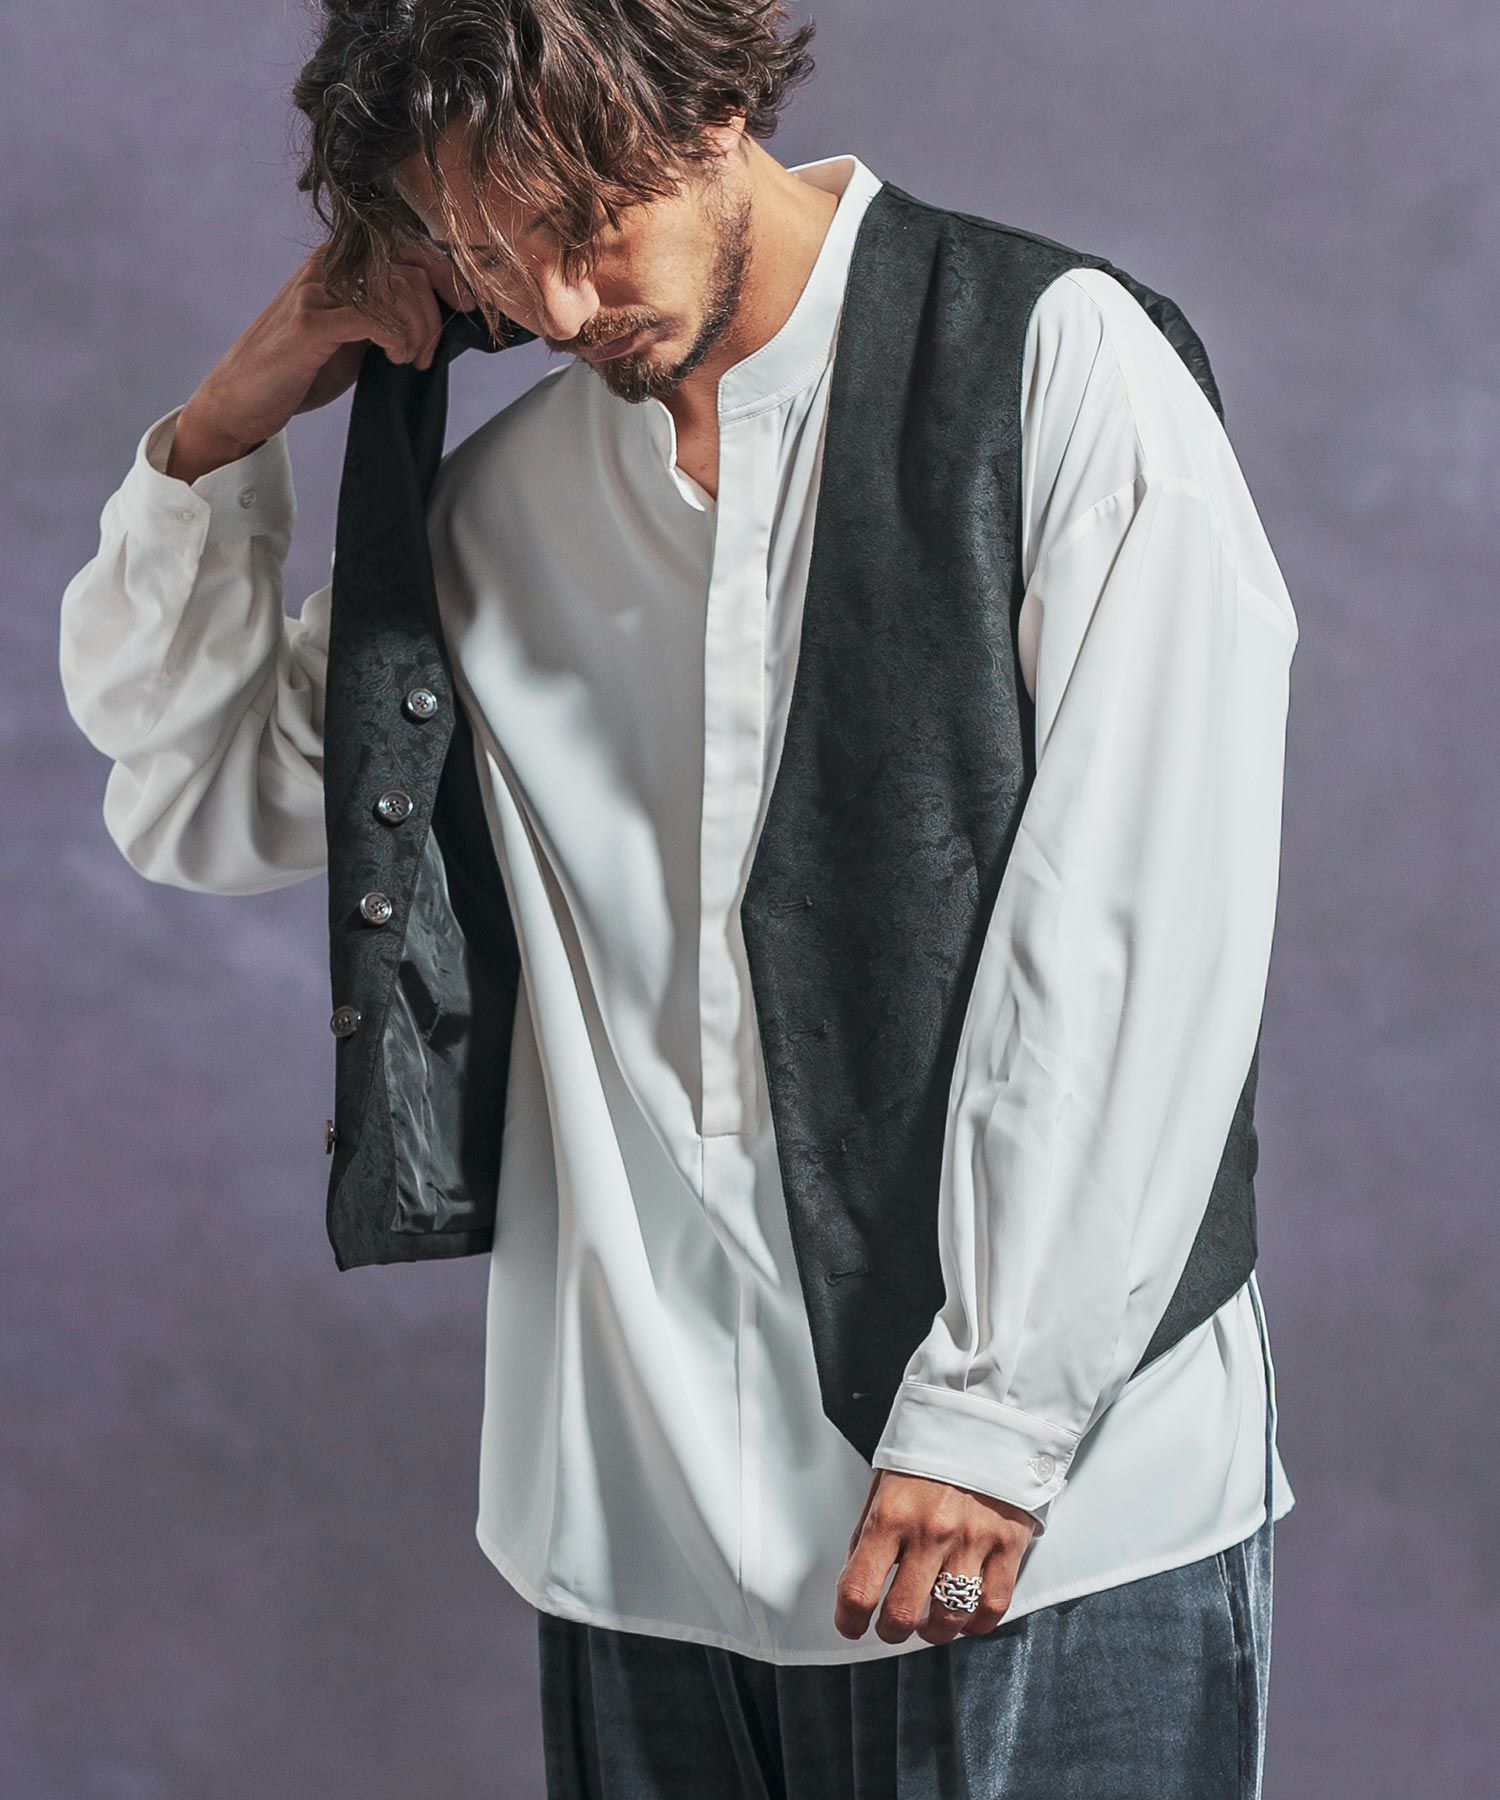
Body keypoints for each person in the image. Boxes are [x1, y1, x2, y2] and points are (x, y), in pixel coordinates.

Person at [59, 3, 1299, 1794]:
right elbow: (197, 793)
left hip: (1047, 1512)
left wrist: (1001, 1415)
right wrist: (225, 425)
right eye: (494, 258)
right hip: (646, 1538)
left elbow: (1138, 926)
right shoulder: (502, 512)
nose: (560, 307)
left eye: (583, 227)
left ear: (710, 104)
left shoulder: (1056, 365)